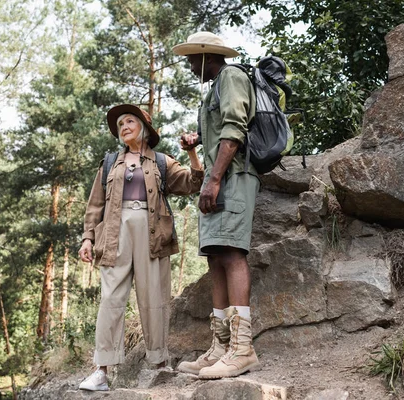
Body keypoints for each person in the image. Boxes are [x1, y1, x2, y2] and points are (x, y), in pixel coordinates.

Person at [78, 104, 203, 391]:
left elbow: (192, 183)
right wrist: (88, 238)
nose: (123, 125)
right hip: (113, 233)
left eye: (129, 120)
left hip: (153, 232)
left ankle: (160, 363)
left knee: (155, 297)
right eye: (120, 123)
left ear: (145, 128)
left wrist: (192, 153)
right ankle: (101, 371)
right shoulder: (109, 163)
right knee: (110, 299)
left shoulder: (161, 162)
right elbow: (95, 204)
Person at [172, 32, 261, 379]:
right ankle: (221, 347)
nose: (189, 64)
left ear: (208, 55)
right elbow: (219, 130)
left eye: (193, 57)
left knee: (233, 253)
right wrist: (197, 142)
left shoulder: (232, 77)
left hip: (233, 177)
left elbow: (235, 129)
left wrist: (213, 179)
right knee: (215, 257)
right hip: (219, 178)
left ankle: (243, 349)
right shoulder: (213, 89)